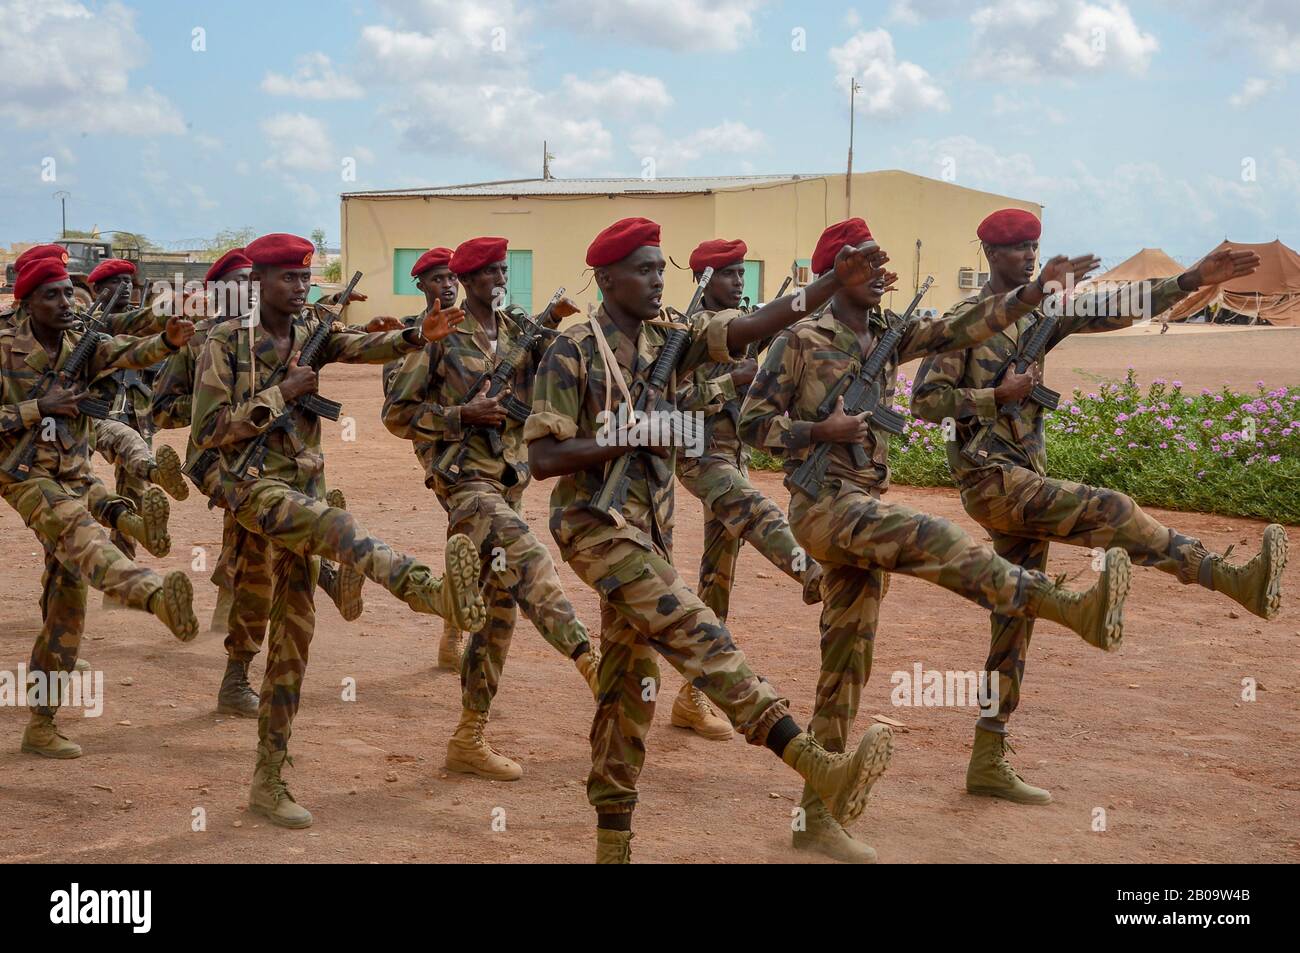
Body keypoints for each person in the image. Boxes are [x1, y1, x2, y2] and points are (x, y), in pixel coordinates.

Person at [739, 216, 1134, 861]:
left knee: (845, 664)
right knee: (934, 534)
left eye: (880, 263)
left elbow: (962, 327)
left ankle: (814, 816)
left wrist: (1034, 294)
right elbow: (750, 422)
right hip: (822, 506)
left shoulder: (889, 337)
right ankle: (1061, 604)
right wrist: (818, 434)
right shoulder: (801, 340)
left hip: (860, 508)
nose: (881, 275)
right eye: (866, 264)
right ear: (837, 273)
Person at [526, 216, 897, 863]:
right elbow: (542, 455)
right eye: (642, 269)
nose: (654, 279)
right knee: (700, 627)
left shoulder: (671, 334)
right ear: (606, 276)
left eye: (658, 267)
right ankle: (812, 761)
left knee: (627, 690)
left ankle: (612, 843)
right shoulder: (574, 349)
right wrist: (627, 434)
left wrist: (830, 283)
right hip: (593, 528)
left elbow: (752, 326)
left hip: (648, 531)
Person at [909, 208, 1282, 804]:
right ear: (988, 254)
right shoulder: (965, 324)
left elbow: (1109, 307)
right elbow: (926, 402)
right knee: (1111, 508)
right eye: (1016, 250)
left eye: (1034, 246)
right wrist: (994, 396)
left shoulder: (1042, 313)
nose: (1029, 256)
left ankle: (988, 753)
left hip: (1025, 477)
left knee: (1014, 617)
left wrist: (1190, 281)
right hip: (991, 480)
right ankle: (1228, 576)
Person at [191, 232, 488, 828]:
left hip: (301, 489)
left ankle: (268, 780)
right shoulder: (225, 343)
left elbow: (356, 343)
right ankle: (429, 590)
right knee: (339, 526)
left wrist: (413, 336)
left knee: (293, 644)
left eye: (306, 280)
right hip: (252, 489)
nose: (300, 289)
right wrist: (281, 394)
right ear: (258, 282)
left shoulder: (307, 333)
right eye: (288, 279)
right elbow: (209, 432)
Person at [384, 238, 599, 781]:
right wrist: (461, 414)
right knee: (529, 557)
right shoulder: (440, 335)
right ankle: (587, 658)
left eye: (504, 270)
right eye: (491, 272)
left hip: (509, 480)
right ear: (470, 276)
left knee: (497, 606)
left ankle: (468, 735)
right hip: (464, 483)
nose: (500, 279)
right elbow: (397, 413)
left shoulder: (517, 331)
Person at [0, 256, 200, 758]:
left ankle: (40, 725)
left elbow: (127, 351)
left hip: (74, 472)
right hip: (25, 477)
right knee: (84, 537)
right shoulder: (5, 348)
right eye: (52, 295)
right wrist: (36, 408)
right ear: (26, 301)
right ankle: (155, 595)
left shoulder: (80, 343)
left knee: (67, 604)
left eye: (69, 293)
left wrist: (169, 341)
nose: (66, 303)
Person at [669, 237, 824, 742]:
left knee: (717, 576)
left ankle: (692, 695)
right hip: (698, 455)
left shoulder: (746, 325)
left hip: (731, 453)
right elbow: (669, 397)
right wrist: (728, 382)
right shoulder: (682, 331)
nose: (739, 281)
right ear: (703, 280)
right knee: (754, 507)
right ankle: (811, 569)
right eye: (728, 273)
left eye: (741, 272)